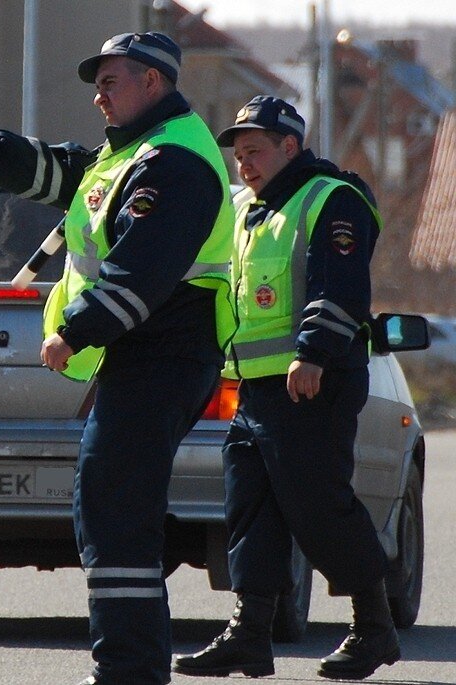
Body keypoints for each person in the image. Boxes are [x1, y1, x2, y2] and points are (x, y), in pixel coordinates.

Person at [0, 32, 235, 685]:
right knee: (111, 505)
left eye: (110, 82)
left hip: (164, 351)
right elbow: (60, 172)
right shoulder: (129, 155)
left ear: (153, 81)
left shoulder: (175, 161)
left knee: (115, 506)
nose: (97, 96)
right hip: (146, 355)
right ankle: (130, 665)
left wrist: (77, 329)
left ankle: (128, 669)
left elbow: (141, 269)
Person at [171, 96, 400, 681]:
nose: (243, 163)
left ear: (290, 147)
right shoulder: (249, 208)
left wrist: (313, 354)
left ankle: (374, 628)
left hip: (311, 382)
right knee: (250, 511)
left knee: (317, 505)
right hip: (255, 390)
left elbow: (340, 286)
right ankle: (249, 635)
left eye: (255, 151)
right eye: (238, 154)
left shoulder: (330, 199)